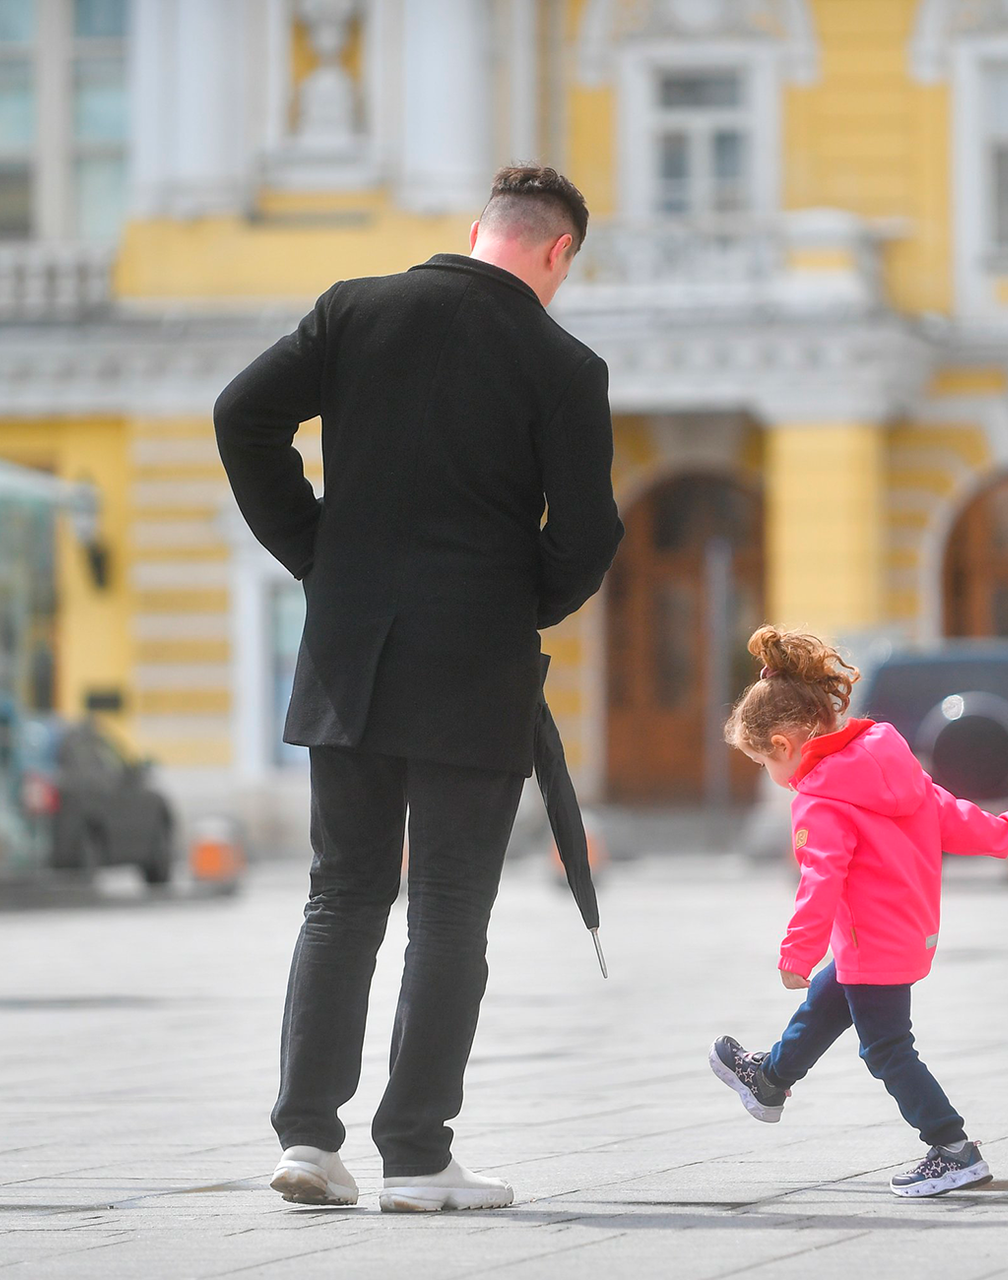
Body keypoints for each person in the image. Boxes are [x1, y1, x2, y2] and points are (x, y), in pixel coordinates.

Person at [213, 166, 623, 1213]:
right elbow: (586, 536)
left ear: (477, 229)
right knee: (448, 906)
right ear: (556, 252)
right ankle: (416, 1155)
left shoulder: (356, 308)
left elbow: (240, 416)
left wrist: (315, 550)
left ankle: (307, 1138)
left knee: (340, 894)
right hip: (472, 666)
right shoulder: (561, 363)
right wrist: (512, 600)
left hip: (350, 650)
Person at [710, 626, 1008, 1199]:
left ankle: (952, 1147)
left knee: (886, 1047)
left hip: (871, 942)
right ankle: (769, 1081)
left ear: (785, 746)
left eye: (763, 761)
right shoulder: (893, 763)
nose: (771, 775)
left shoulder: (821, 799)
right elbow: (956, 817)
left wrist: (796, 953)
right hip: (910, 933)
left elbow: (820, 880)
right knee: (832, 996)